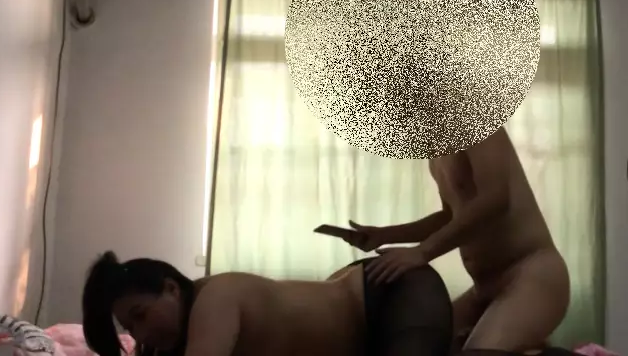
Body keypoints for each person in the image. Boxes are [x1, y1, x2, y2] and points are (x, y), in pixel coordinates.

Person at [344, 127, 570, 353]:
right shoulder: (437, 152)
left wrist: (422, 252)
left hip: (530, 274)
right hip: (483, 289)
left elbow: (496, 200)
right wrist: (384, 235)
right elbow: (451, 217)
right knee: (421, 342)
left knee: (474, 351)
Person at [80, 250, 452, 356]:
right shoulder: (173, 340)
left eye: (141, 315)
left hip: (388, 292)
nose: (141, 334)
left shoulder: (216, 299)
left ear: (171, 289)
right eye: (130, 328)